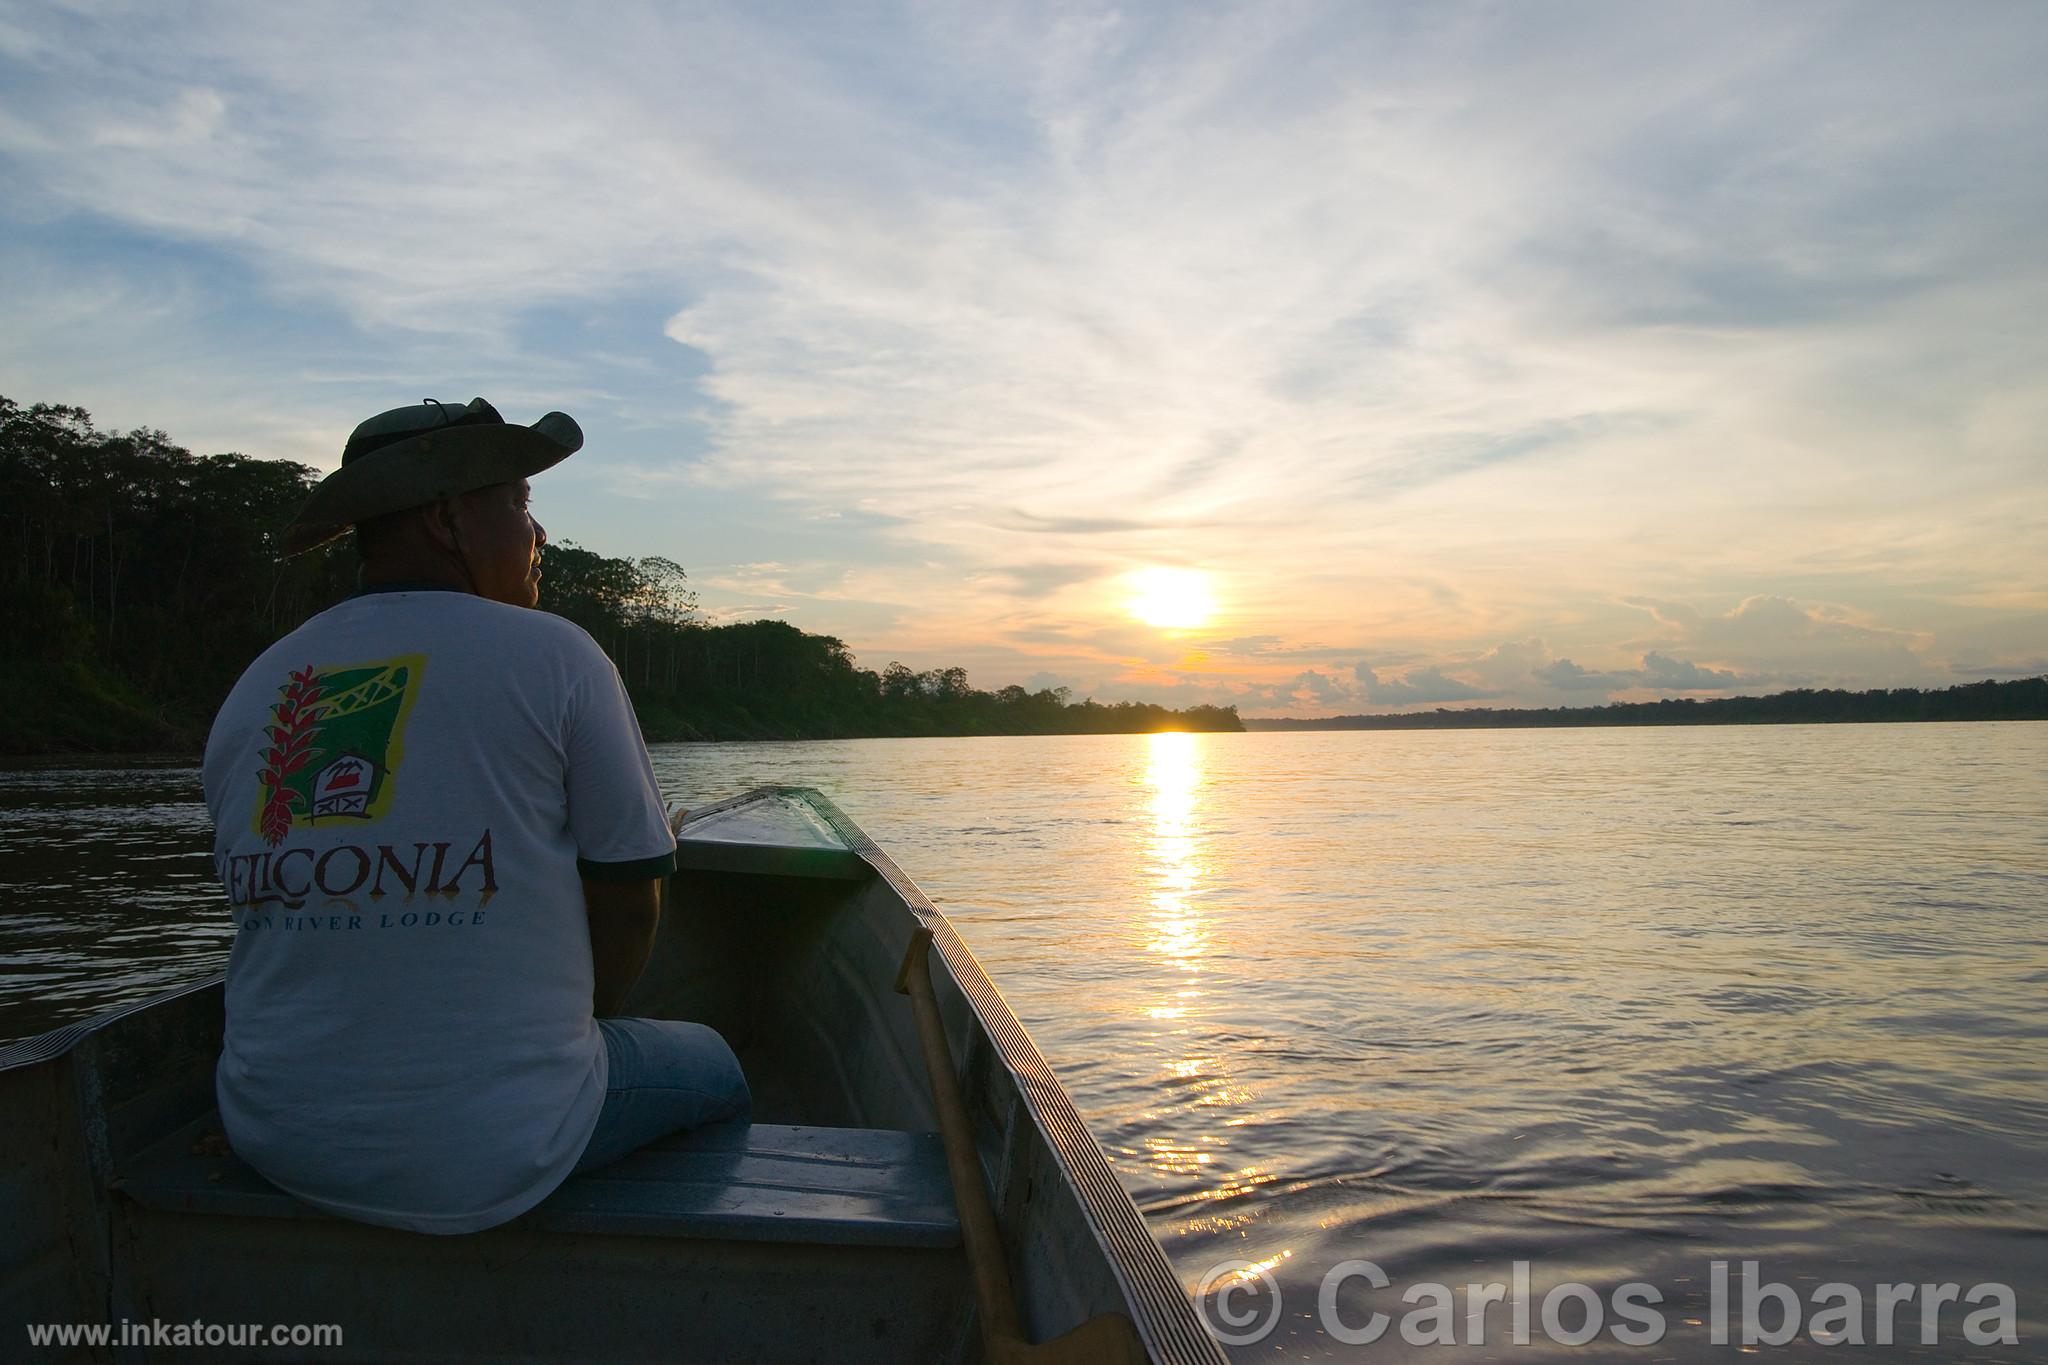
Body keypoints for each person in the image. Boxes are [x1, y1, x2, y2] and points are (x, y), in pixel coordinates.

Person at [201, 397, 749, 1235]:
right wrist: (582, 1025)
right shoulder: (558, 656)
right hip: (495, 1151)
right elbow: (632, 901)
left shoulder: (260, 685)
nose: (539, 537)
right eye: (521, 505)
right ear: (448, 517)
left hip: (273, 1135)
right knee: (719, 1064)